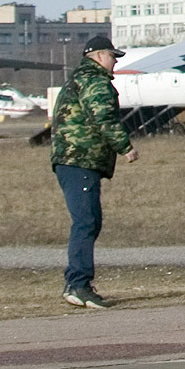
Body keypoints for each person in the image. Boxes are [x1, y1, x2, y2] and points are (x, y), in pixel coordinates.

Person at [50, 29, 135, 309]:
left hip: (72, 160)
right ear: (98, 56)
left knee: (89, 221)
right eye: (113, 56)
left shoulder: (78, 79)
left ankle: (78, 282)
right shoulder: (95, 82)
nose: (116, 62)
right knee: (86, 222)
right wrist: (125, 147)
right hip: (80, 160)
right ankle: (78, 285)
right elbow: (104, 118)